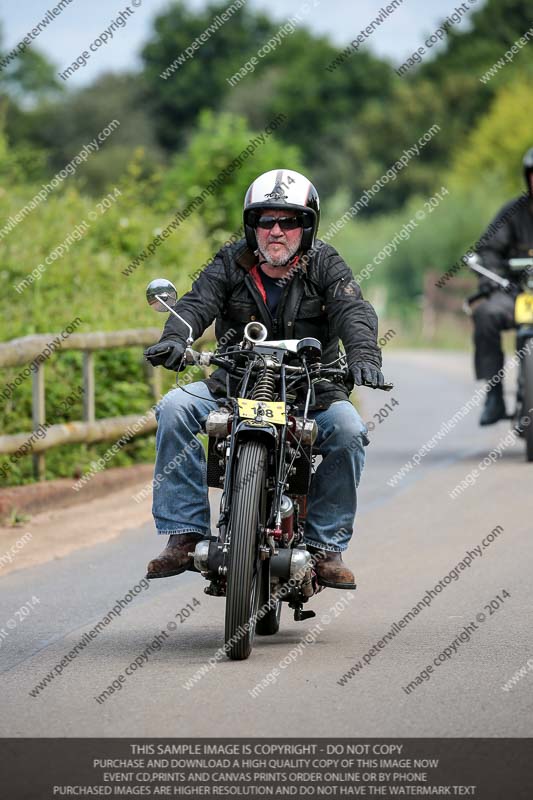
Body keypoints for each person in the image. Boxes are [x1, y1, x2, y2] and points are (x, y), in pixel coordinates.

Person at [143, 168, 384, 589]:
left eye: (288, 221)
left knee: (349, 431)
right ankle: (184, 533)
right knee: (174, 407)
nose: (276, 231)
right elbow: (198, 303)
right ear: (251, 226)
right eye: (265, 220)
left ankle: (326, 546)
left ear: (306, 227)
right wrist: (175, 338)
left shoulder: (326, 264)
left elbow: (353, 311)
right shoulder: (230, 262)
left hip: (312, 389)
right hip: (234, 383)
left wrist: (363, 356)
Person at [473, 148, 533, 425]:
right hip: (515, 293)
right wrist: (493, 281)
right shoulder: (513, 213)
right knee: (485, 314)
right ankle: (494, 395)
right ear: (527, 178)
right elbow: (489, 251)